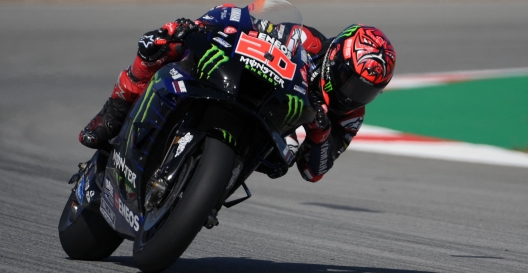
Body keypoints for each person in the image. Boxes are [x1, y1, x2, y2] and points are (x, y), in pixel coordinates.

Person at [79, 3, 396, 182]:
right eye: (351, 82)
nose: (353, 95)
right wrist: (203, 27)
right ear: (336, 58)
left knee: (278, 162)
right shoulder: (307, 41)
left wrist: (320, 133)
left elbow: (314, 171)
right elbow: (249, 22)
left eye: (366, 91)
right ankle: (114, 111)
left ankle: (205, 191)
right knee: (164, 44)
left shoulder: (351, 114)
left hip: (272, 131)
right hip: (239, 82)